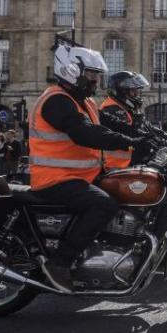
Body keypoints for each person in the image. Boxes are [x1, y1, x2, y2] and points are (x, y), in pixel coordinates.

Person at [29, 43, 144, 292]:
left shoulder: (84, 101)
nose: (95, 82)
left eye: (97, 76)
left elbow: (110, 123)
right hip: (56, 179)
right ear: (72, 71)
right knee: (103, 205)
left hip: (81, 176)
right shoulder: (56, 101)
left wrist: (147, 133)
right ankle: (60, 263)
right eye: (92, 76)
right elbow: (85, 133)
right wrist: (129, 142)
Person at [99, 71, 151, 169]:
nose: (136, 94)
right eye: (133, 91)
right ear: (121, 91)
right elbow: (129, 132)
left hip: (129, 163)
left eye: (137, 91)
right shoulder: (112, 109)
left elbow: (145, 128)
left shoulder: (125, 109)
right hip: (116, 166)